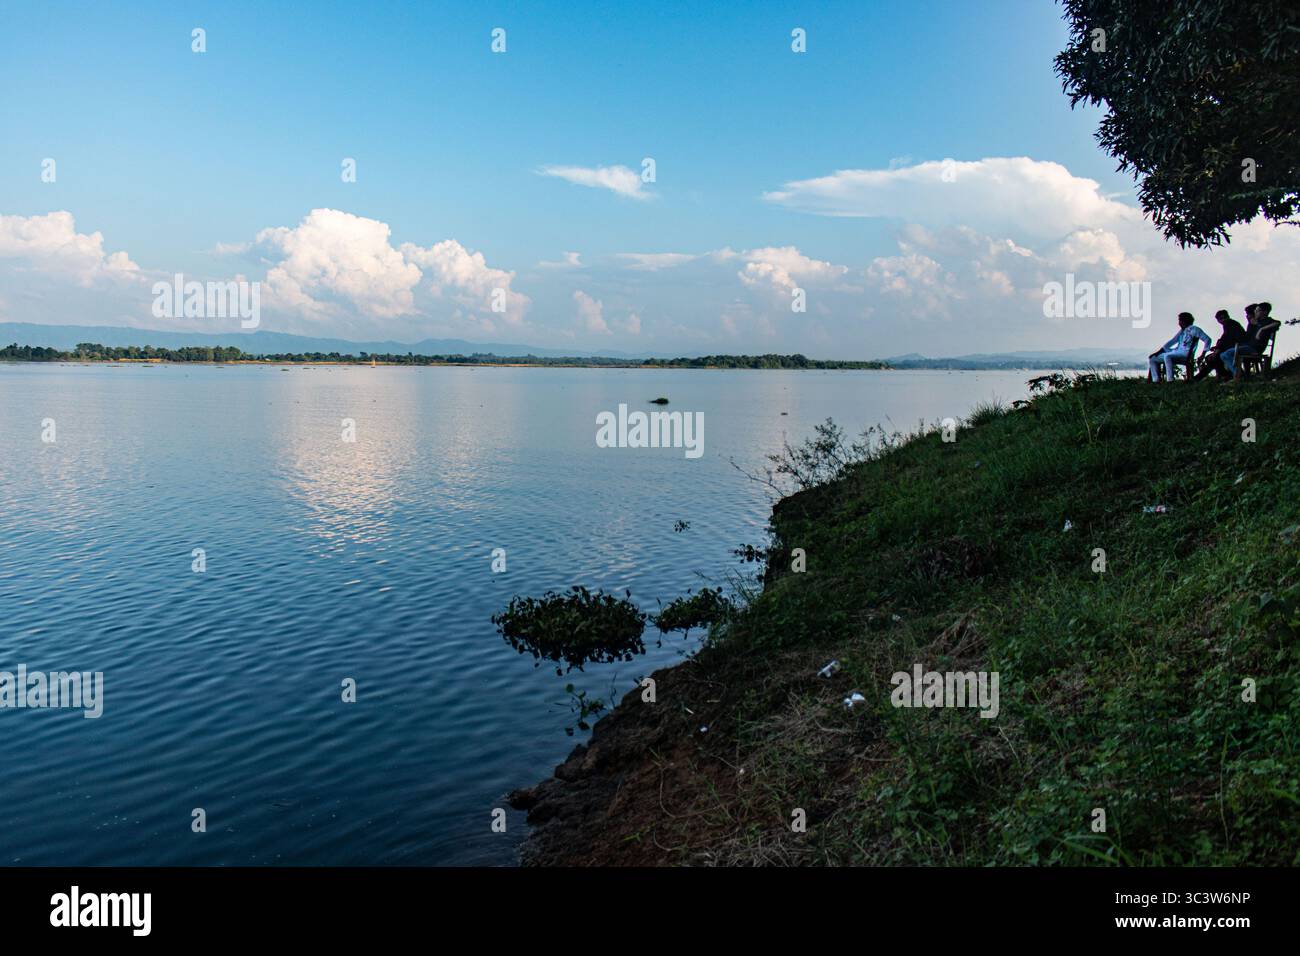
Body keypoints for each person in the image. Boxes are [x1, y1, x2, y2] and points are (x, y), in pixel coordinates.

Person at [1223, 302, 1281, 377]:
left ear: (1265, 312)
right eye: (1255, 311)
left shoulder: (1267, 321)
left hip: (1255, 348)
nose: (1255, 312)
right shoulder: (1256, 322)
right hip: (1249, 346)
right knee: (1226, 353)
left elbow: (1277, 323)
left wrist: (1262, 329)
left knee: (1225, 354)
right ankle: (1240, 374)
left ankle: (1238, 375)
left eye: (1257, 311)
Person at [1148, 312, 1211, 382]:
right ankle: (1156, 380)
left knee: (1167, 356)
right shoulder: (1182, 331)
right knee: (1153, 359)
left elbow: (1207, 339)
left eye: (1180, 320)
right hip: (1177, 352)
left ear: (1184, 321)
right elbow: (1171, 342)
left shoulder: (1194, 329)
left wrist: (1203, 354)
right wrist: (1158, 353)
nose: (1179, 323)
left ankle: (1170, 380)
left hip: (1185, 354)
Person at [1194, 309, 1247, 380]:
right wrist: (1217, 347)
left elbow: (1227, 340)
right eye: (1221, 319)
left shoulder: (1230, 324)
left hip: (1235, 347)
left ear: (1228, 317)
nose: (1223, 320)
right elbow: (1224, 339)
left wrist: (1218, 349)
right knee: (1211, 359)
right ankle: (1226, 374)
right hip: (1231, 347)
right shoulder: (1229, 324)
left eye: (1224, 318)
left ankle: (1229, 375)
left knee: (1212, 358)